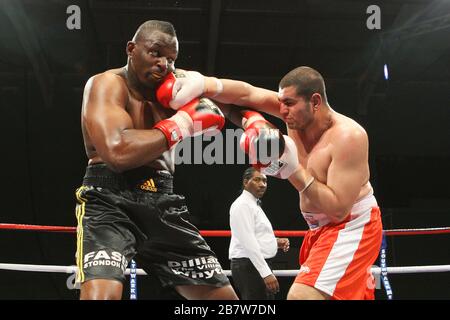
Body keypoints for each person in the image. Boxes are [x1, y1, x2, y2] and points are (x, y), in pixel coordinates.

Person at [157, 66, 383, 300]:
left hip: (352, 225)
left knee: (301, 297)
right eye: (281, 102)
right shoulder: (295, 115)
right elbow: (246, 94)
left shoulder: (348, 137)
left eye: (289, 103)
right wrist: (203, 84)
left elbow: (338, 210)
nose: (281, 110)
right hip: (319, 229)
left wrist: (293, 171)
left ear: (315, 101)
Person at [75, 20, 238, 300]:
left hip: (162, 200)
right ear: (131, 49)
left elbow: (241, 96)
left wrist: (260, 122)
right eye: (155, 53)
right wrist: (183, 123)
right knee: (102, 297)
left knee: (224, 302)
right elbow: (117, 154)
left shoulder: (177, 87)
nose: (164, 64)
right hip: (109, 199)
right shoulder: (107, 84)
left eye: (171, 59)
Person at [229, 167, 290, 300]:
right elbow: (248, 242)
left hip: (254, 264)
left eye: (265, 181)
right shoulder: (243, 205)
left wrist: (275, 242)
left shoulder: (253, 204)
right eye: (257, 180)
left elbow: (256, 235)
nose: (262, 184)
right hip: (250, 266)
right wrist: (265, 273)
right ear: (246, 182)